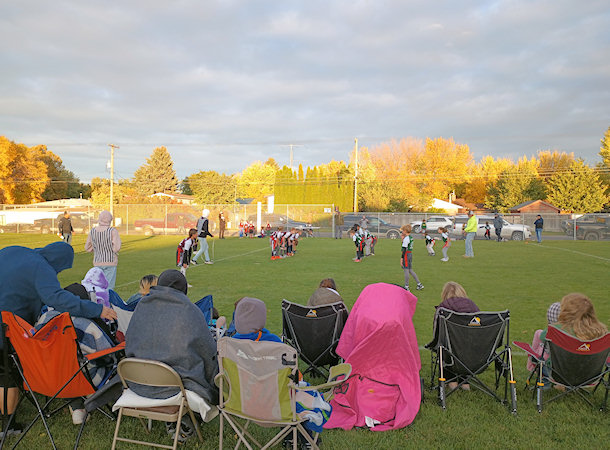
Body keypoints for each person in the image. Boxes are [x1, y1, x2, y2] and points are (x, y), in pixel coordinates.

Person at [0, 242, 116, 434]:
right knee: (7, 373)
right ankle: (8, 426)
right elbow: (57, 298)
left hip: (7, 316)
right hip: (7, 327)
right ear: (59, 261)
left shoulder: (16, 251)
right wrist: (98, 309)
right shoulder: (41, 266)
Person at [126, 270, 219, 437]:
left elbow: (129, 344)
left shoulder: (141, 306)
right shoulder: (189, 310)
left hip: (137, 382)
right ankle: (186, 418)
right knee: (210, 369)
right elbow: (208, 351)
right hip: (175, 385)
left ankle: (181, 419)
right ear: (183, 289)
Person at [435, 281, 480, 390]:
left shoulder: (443, 308)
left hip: (450, 351)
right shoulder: (473, 306)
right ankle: (465, 382)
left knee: (445, 347)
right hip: (474, 354)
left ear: (444, 294)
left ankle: (451, 381)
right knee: (464, 347)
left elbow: (437, 333)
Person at [85, 210, 121, 290]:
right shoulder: (112, 231)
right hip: (110, 261)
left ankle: (98, 301)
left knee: (98, 286)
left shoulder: (93, 231)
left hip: (97, 261)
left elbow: (87, 247)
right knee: (109, 287)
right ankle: (107, 301)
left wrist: (96, 249)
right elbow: (116, 248)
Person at [400, 225, 423, 291]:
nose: (402, 232)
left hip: (406, 255)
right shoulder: (410, 237)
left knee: (406, 270)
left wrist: (401, 259)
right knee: (410, 270)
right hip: (410, 254)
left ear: (405, 231)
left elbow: (404, 249)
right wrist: (402, 239)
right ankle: (419, 284)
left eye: (403, 231)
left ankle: (406, 286)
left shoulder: (406, 239)